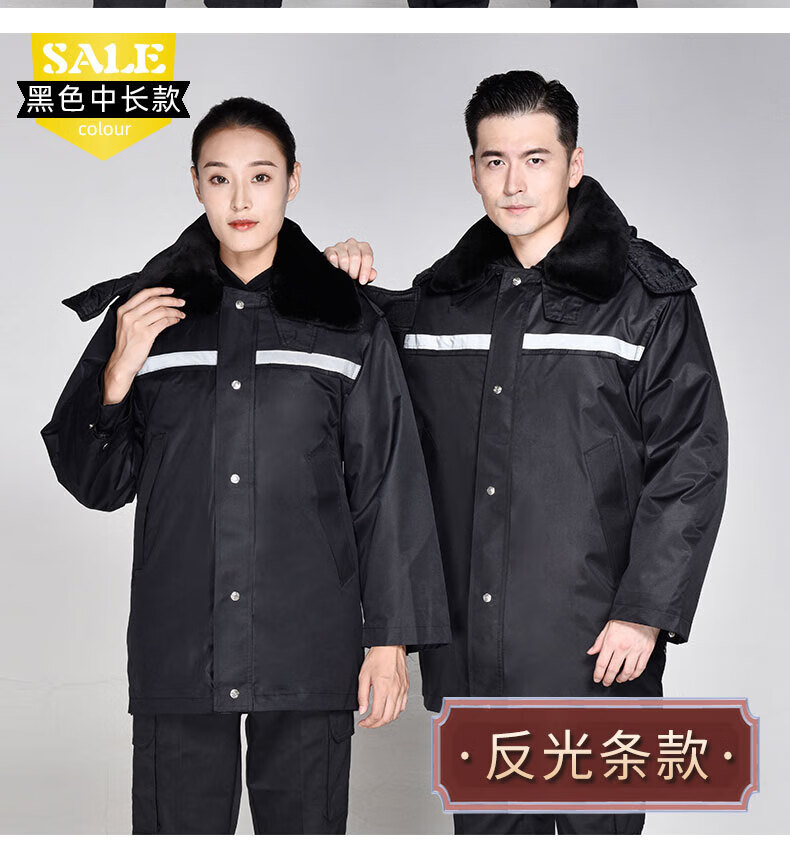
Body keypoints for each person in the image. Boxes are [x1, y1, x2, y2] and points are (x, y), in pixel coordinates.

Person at [324, 70, 728, 835]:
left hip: (596, 655)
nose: (514, 182)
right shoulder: (441, 307)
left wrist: (645, 614)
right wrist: (331, 277)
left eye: (536, 159)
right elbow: (365, 395)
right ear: (474, 170)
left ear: (574, 164)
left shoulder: (646, 303)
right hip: (476, 667)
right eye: (495, 160)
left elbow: (691, 462)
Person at [41, 96, 451, 835]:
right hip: (179, 645)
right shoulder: (146, 319)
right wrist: (119, 370)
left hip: (310, 644)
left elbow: (388, 485)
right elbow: (96, 482)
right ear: (195, 183)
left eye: (260, 177)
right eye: (219, 177)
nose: (240, 200)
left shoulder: (344, 320)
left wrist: (388, 641)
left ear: (293, 181)